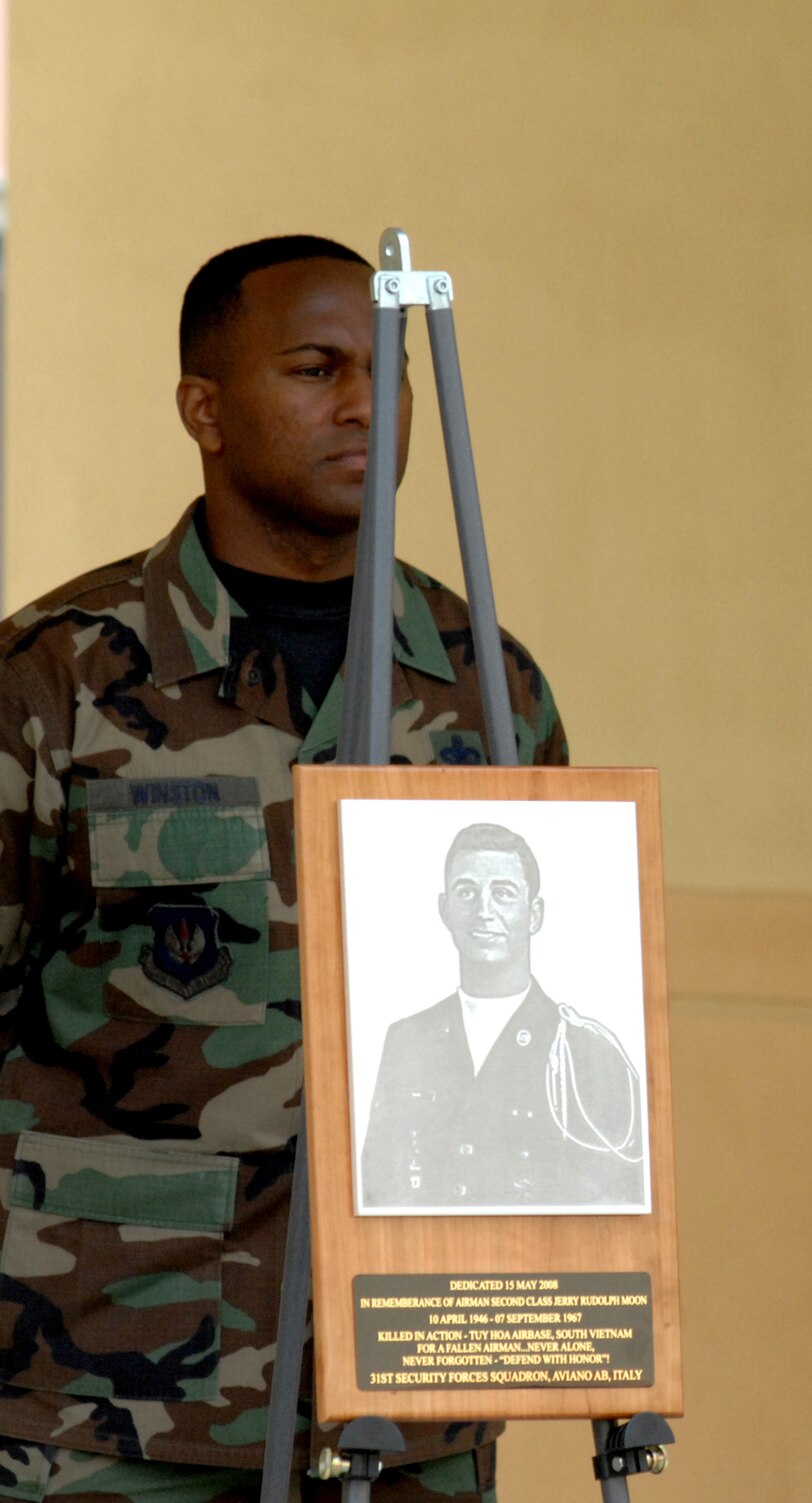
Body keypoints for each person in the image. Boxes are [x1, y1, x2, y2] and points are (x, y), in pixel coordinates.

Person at [0, 237, 567, 1501]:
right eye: (316, 369)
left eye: (387, 372)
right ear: (204, 407)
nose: (365, 404)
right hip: (115, 1403)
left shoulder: (489, 685)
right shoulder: (59, 678)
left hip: (410, 1393)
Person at [360, 822, 645, 1211]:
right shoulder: (408, 1039)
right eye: (466, 893)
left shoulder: (584, 1050)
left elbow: (613, 1202)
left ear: (534, 914)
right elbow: (379, 1187)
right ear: (444, 910)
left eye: (503, 894)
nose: (483, 912)